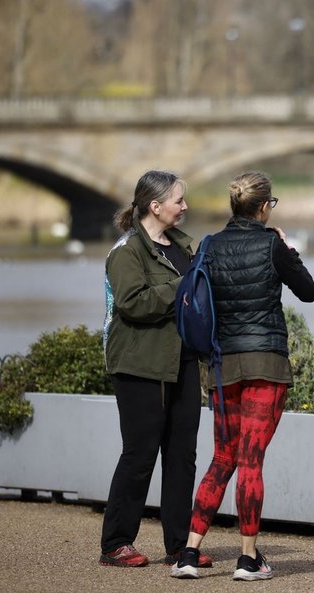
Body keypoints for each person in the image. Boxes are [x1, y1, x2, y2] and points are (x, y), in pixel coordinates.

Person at [169, 171, 314, 581]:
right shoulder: (273, 245)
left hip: (222, 366)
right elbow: (307, 291)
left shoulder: (210, 245)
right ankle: (248, 559)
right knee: (251, 460)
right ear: (265, 206)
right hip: (265, 363)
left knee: (222, 458)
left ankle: (189, 552)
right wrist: (288, 249)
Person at [100, 170, 203, 568]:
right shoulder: (126, 251)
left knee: (182, 455)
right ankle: (116, 542)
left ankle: (179, 546)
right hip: (139, 364)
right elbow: (133, 303)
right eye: (179, 200)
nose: (185, 206)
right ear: (156, 206)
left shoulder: (184, 247)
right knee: (140, 454)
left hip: (183, 360)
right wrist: (183, 287)